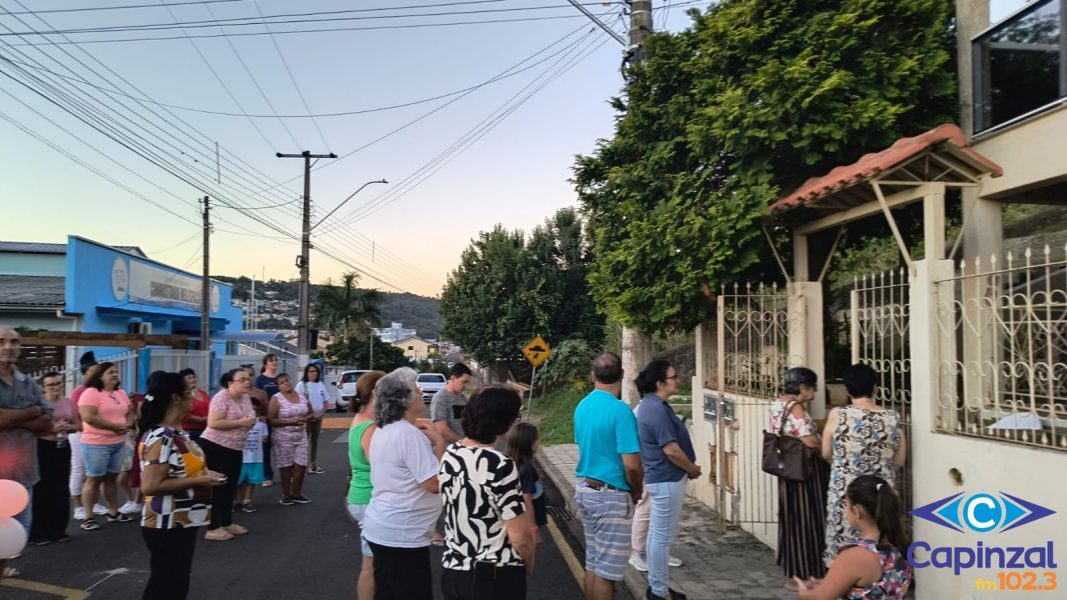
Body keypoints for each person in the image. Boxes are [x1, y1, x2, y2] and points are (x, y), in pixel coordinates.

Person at [439, 386, 535, 599]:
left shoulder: (451, 454)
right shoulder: (500, 464)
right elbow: (519, 536)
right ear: (504, 421)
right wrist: (527, 563)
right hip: (493, 576)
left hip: (454, 571)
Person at [138, 370, 226, 600]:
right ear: (175, 398)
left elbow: (179, 469)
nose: (193, 397)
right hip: (166, 521)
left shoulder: (176, 432)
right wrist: (200, 480)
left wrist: (205, 473)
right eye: (189, 392)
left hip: (182, 519)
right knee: (167, 584)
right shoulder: (162, 436)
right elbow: (150, 485)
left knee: (174, 580)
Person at [362, 367, 445, 600]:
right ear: (402, 399)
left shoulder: (385, 429)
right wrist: (439, 444)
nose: (420, 391)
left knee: (387, 593)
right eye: (415, 388)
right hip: (403, 536)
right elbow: (434, 483)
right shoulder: (408, 435)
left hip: (385, 529)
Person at [573, 351, 643, 600]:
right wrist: (636, 491)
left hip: (585, 489)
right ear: (622, 375)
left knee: (593, 564)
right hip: (610, 495)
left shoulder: (582, 406)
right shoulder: (620, 411)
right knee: (607, 573)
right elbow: (632, 465)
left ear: (593, 375)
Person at [821, 364, 907, 567]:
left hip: (846, 494)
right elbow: (899, 461)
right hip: (880, 494)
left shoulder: (838, 415)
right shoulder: (892, 418)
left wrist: (844, 465)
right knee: (879, 545)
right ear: (875, 388)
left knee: (843, 548)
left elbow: (825, 452)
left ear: (847, 389)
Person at [633, 360, 700, 600]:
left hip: (662, 478)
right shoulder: (655, 409)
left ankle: (657, 586)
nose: (678, 381)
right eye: (673, 377)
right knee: (661, 538)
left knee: (657, 537)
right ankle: (659, 591)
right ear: (660, 383)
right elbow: (671, 449)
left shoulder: (654, 406)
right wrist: (691, 468)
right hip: (666, 478)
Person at [797, 475, 911, 600]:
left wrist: (803, 592)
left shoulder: (855, 556)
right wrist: (828, 583)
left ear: (856, 511)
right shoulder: (899, 547)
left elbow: (818, 598)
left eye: (847, 505)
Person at [0, 327, 55, 578]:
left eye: (14, 342)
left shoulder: (28, 382)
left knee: (15, 531)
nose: (8, 347)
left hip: (23, 471)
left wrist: (11, 416)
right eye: (1, 342)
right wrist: (29, 412)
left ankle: (2, 568)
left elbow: (48, 421)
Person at [772, 367, 831, 587]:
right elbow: (809, 440)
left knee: (792, 520)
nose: (815, 392)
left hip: (788, 469)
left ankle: (794, 571)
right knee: (809, 520)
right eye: (812, 387)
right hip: (805, 471)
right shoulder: (796, 409)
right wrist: (827, 452)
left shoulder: (779, 403)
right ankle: (808, 574)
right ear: (802, 387)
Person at [198, 368, 256, 541]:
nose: (247, 382)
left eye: (248, 379)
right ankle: (213, 527)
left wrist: (249, 421)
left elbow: (250, 413)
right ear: (230, 382)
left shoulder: (245, 397)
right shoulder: (221, 397)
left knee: (230, 486)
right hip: (216, 446)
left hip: (236, 447)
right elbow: (214, 422)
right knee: (217, 487)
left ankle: (227, 522)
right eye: (242, 379)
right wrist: (241, 422)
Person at [78, 361, 136, 530]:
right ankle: (88, 516)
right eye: (110, 372)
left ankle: (113, 511)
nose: (115, 375)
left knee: (111, 478)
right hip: (96, 443)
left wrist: (128, 424)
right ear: (100, 375)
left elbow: (130, 411)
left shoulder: (121, 393)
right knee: (94, 479)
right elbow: (88, 417)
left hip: (118, 442)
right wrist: (115, 427)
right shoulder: (91, 393)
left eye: (116, 372)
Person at [347, 370, 385, 600]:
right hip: (369, 499)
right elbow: (381, 469)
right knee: (370, 566)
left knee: (374, 564)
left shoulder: (361, 419)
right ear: (375, 392)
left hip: (362, 496)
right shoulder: (370, 427)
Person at [29, 371, 79, 545]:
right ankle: (39, 533)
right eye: (51, 385)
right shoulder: (39, 404)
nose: (56, 387)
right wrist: (52, 428)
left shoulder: (68, 402)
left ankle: (58, 530)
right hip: (44, 447)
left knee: (60, 487)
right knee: (42, 488)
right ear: (43, 388)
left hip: (63, 446)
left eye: (58, 383)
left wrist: (67, 427)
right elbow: (33, 428)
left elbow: (78, 425)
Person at [71, 355, 108, 521]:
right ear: (85, 374)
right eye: (92, 372)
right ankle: (78, 506)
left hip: (96, 435)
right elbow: (75, 415)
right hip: (81, 434)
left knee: (94, 472)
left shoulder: (100, 391)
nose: (96, 375)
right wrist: (81, 428)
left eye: (97, 372)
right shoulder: (79, 391)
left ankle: (94, 503)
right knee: (79, 470)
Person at [268, 373, 312, 505]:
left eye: (287, 380)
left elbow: (310, 412)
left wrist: (306, 418)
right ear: (278, 387)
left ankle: (297, 493)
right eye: (282, 382)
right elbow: (271, 419)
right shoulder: (276, 399)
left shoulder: (301, 396)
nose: (286, 383)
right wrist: (290, 422)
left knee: (301, 465)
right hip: (283, 437)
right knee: (286, 467)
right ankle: (286, 494)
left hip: (300, 436)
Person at [506, 422, 548, 538]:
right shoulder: (527, 469)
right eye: (536, 440)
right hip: (527, 524)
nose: (537, 443)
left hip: (517, 519)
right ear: (529, 444)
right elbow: (526, 500)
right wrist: (534, 529)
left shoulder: (510, 463)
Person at [297, 362, 331, 475]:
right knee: (304, 442)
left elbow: (326, 401)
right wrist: (306, 415)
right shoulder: (302, 385)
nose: (313, 373)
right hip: (306, 418)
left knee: (314, 441)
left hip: (318, 418)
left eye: (315, 371)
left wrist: (321, 413)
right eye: (311, 371)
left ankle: (313, 464)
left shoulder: (320, 384)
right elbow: (297, 401)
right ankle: (302, 466)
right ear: (306, 373)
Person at [235, 399, 268, 513]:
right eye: (251, 409)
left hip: (255, 457)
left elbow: (265, 438)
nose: (254, 412)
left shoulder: (262, 424)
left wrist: (264, 438)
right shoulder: (239, 423)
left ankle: (247, 500)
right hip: (242, 457)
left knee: (251, 481)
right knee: (238, 481)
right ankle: (237, 501)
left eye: (256, 410)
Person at [254, 356, 280, 486]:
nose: (274, 362)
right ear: (265, 364)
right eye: (271, 361)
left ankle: (288, 473)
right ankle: (267, 475)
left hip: (280, 418)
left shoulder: (279, 379)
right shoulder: (260, 380)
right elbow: (257, 399)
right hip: (266, 418)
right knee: (266, 448)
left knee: (282, 446)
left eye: (276, 360)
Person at [430, 363, 473, 444]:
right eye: (464, 382)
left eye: (467, 383)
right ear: (453, 378)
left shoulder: (463, 397)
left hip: (464, 448)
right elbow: (442, 430)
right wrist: (463, 443)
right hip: (449, 451)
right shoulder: (440, 398)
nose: (466, 386)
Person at [179, 368, 211, 441]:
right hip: (190, 431)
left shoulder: (202, 393)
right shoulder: (182, 395)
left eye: (194, 377)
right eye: (189, 378)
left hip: (206, 431)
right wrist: (202, 420)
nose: (193, 379)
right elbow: (184, 414)